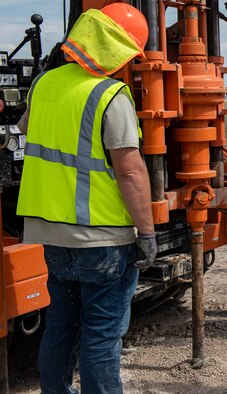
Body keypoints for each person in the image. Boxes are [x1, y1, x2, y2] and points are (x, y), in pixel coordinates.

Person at [16, 4, 156, 393]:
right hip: (103, 238)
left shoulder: (44, 85)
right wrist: (146, 232)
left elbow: (28, 128)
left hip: (52, 233)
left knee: (60, 324)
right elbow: (130, 171)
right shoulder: (111, 95)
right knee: (101, 334)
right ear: (120, 49)